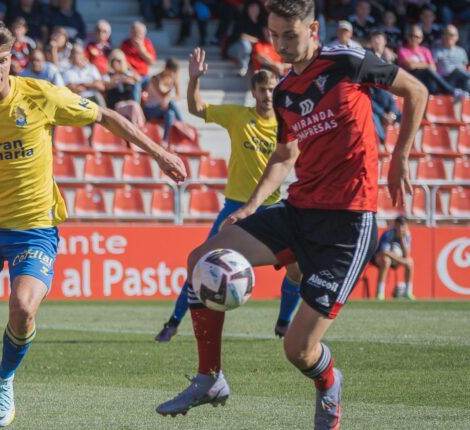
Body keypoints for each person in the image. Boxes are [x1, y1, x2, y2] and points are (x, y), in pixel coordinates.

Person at [156, 0, 427, 427]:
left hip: (348, 224)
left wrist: (400, 157)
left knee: (298, 351)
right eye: (274, 34)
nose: (280, 44)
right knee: (201, 260)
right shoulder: (284, 91)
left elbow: (416, 90)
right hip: (297, 209)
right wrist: (248, 206)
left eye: (290, 35)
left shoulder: (347, 61)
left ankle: (328, 385)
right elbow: (284, 155)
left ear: (314, 29)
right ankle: (210, 378)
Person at [0, 19, 186, 430]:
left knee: (23, 307)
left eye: (4, 61)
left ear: (13, 60)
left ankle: (5, 376)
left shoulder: (41, 95)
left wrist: (159, 153)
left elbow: (105, 116)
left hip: (34, 228)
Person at [154, 54, 303, 355]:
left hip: (272, 208)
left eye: (272, 89)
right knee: (201, 262)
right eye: (262, 89)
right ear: (253, 92)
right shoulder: (238, 116)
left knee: (297, 269)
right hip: (235, 208)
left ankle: (284, 322)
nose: (267, 95)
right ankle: (173, 322)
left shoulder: (286, 127)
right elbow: (196, 108)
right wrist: (194, 78)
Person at [399, 25, 462, 96]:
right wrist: (425, 65)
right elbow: (409, 66)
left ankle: (445, 91)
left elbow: (433, 68)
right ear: (407, 36)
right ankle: (450, 90)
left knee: (429, 72)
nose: (413, 38)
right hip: (411, 78)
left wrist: (418, 65)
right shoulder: (403, 50)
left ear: (421, 39)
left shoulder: (425, 50)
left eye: (417, 37)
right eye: (411, 36)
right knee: (427, 70)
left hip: (427, 81)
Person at [372, 216, 414, 300]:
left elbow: (407, 255)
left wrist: (402, 238)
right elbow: (384, 252)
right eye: (399, 225)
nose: (402, 228)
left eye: (404, 225)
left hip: (395, 259)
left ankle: (408, 292)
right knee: (386, 261)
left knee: (410, 262)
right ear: (395, 225)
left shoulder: (407, 235)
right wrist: (400, 260)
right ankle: (380, 293)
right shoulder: (388, 233)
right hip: (379, 257)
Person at [143, 58, 182, 142]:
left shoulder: (173, 79)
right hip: (151, 109)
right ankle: (183, 125)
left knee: (170, 113)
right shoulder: (155, 78)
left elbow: (178, 96)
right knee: (171, 103)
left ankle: (166, 140)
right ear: (167, 69)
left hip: (163, 109)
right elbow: (162, 94)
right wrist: (171, 86)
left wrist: (168, 99)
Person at [227, 1, 265, 76]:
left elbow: (265, 38)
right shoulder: (241, 21)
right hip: (235, 48)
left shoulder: (262, 22)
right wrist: (256, 40)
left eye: (255, 8)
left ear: (259, 9)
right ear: (247, 9)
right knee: (245, 44)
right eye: (251, 8)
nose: (253, 10)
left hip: (253, 51)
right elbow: (241, 36)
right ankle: (243, 68)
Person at [433, 25, 470, 94]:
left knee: (467, 80)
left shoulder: (461, 51)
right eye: (446, 34)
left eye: (451, 35)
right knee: (458, 71)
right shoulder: (436, 51)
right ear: (442, 36)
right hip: (445, 80)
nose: (448, 37)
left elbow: (465, 68)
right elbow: (433, 69)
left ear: (457, 37)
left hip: (460, 80)